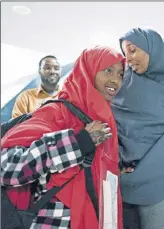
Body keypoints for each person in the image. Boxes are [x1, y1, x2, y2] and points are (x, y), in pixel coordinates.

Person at [1, 46, 125, 229]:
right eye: (108, 70)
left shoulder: (105, 121)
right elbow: (6, 167)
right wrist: (77, 144)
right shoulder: (56, 113)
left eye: (121, 74)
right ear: (88, 71)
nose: (115, 80)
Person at [111, 27, 164, 229]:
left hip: (163, 182)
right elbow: (112, 127)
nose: (128, 58)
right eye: (125, 53)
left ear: (153, 49)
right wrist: (117, 160)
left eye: (133, 50)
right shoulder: (124, 85)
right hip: (126, 182)